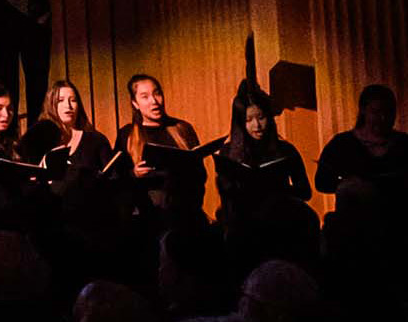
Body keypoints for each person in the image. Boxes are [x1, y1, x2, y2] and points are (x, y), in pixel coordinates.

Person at [115, 72, 203, 221]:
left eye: (157, 94)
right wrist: (134, 174)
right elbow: (117, 179)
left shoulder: (182, 128)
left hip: (183, 215)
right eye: (145, 97)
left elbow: (200, 175)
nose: (154, 101)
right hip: (144, 218)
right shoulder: (127, 134)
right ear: (135, 103)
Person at [215, 83, 308, 221]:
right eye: (248, 120)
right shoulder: (227, 152)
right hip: (243, 223)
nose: (257, 125)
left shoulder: (286, 150)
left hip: (279, 219)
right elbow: (226, 195)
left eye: (261, 117)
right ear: (240, 123)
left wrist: (278, 191)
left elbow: (305, 192)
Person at [315, 83, 407, 196]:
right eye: (376, 112)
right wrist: (348, 185)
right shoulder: (342, 144)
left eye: (388, 112)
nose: (383, 118)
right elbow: (321, 182)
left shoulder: (404, 144)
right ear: (363, 110)